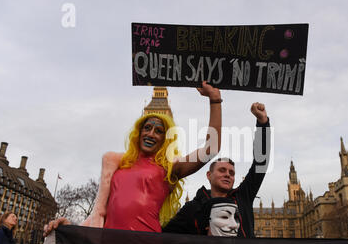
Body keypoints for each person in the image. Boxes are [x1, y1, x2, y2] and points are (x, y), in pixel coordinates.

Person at [44, 81, 222, 235]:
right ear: (139, 132)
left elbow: (211, 149)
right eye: (147, 127)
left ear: (166, 139)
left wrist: (214, 100)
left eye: (158, 130)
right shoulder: (117, 165)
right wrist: (70, 229)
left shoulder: (169, 166)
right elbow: (100, 214)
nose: (151, 133)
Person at [163, 102, 270, 238]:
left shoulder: (243, 197)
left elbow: (261, 163)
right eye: (222, 170)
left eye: (231, 173)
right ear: (209, 175)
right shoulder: (193, 208)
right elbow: (164, 237)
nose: (227, 175)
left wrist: (263, 123)